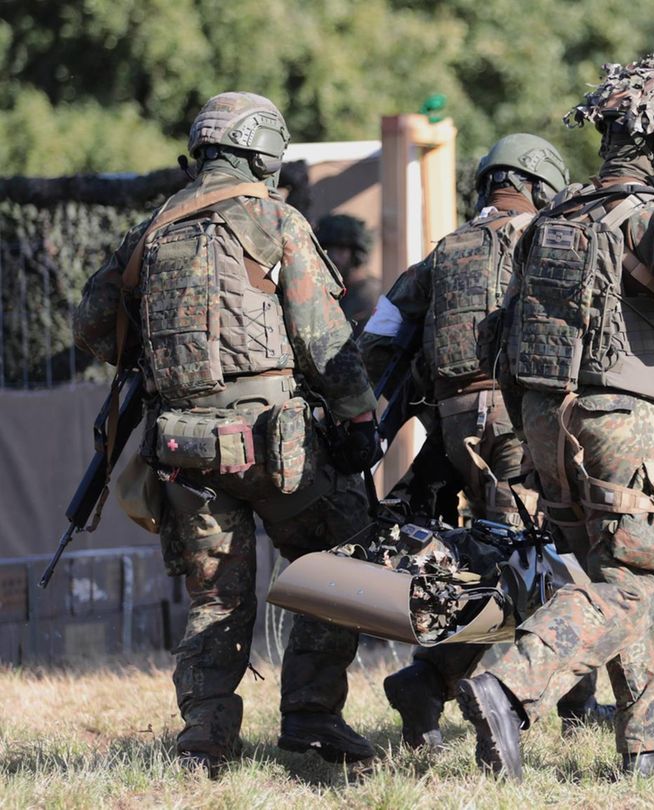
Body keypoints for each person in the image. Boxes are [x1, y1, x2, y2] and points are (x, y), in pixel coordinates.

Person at [454, 54, 654, 780]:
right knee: (629, 582)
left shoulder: (554, 216)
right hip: (621, 421)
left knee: (618, 578)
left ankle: (650, 747)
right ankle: (511, 687)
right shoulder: (651, 219)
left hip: (545, 418)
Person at [73, 92, 382, 776]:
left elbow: (93, 328)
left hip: (182, 444)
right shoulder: (274, 219)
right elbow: (322, 335)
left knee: (217, 595)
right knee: (342, 558)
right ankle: (311, 716)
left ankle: (205, 740)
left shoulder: (152, 230)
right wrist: (359, 417)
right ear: (265, 151)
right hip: (277, 445)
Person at [359, 134, 613, 750]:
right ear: (544, 187)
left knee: (502, 554)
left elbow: (376, 338)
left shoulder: (445, 252)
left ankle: (435, 683)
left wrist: (431, 395)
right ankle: (493, 693)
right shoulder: (550, 240)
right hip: (524, 413)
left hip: (453, 420)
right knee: (550, 553)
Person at [315, 213, 378, 330]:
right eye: (327, 249)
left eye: (341, 250)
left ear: (357, 255)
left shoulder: (369, 298)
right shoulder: (327, 291)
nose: (333, 257)